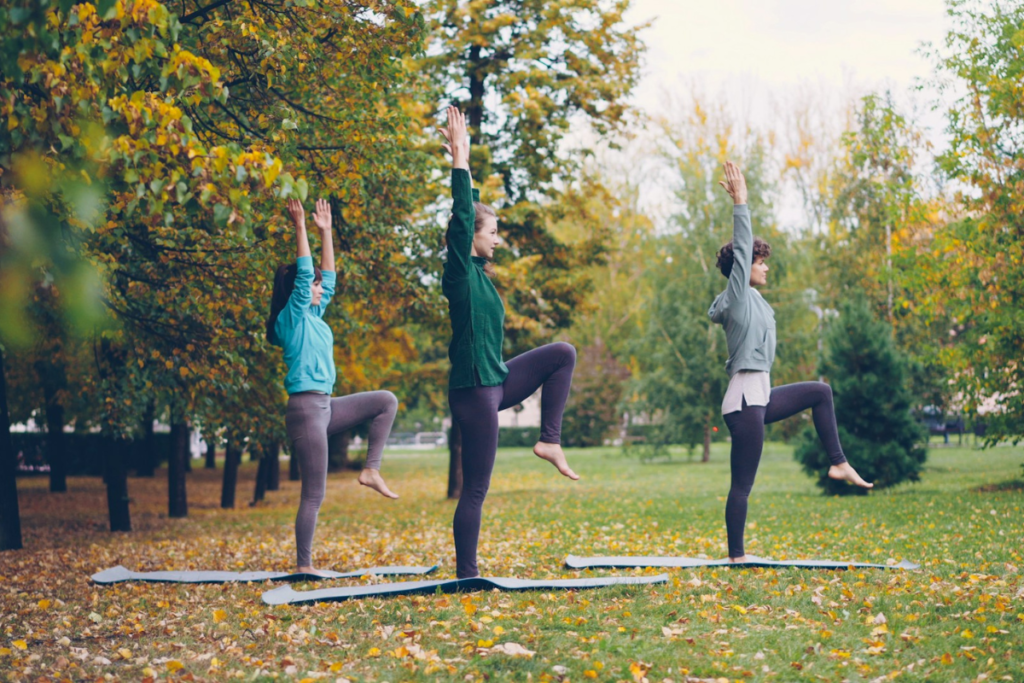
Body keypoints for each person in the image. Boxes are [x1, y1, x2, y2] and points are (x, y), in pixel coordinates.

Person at [438, 105, 579, 579]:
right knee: (476, 488)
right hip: (474, 389)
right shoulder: (458, 273)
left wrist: (469, 172)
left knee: (562, 353)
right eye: (493, 232)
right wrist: (460, 159)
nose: (498, 240)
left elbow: (469, 215)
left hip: (495, 380)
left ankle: (549, 442)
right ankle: (467, 573)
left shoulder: (478, 274)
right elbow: (461, 216)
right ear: (472, 237)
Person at [709, 161, 872, 564]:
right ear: (744, 270)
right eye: (760, 262)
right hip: (746, 400)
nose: (765, 266)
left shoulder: (757, 301)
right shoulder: (737, 296)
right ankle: (736, 556)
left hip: (759, 395)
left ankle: (838, 464)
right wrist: (741, 202)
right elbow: (743, 252)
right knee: (742, 484)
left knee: (820, 392)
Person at [267, 197, 400, 576]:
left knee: (385, 401)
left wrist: (327, 231)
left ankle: (370, 470)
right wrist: (301, 227)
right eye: (313, 285)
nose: (320, 286)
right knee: (314, 494)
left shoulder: (315, 313)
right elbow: (308, 271)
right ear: (299, 288)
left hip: (327, 406)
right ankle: (304, 565)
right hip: (306, 411)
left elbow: (330, 276)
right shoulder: (290, 318)